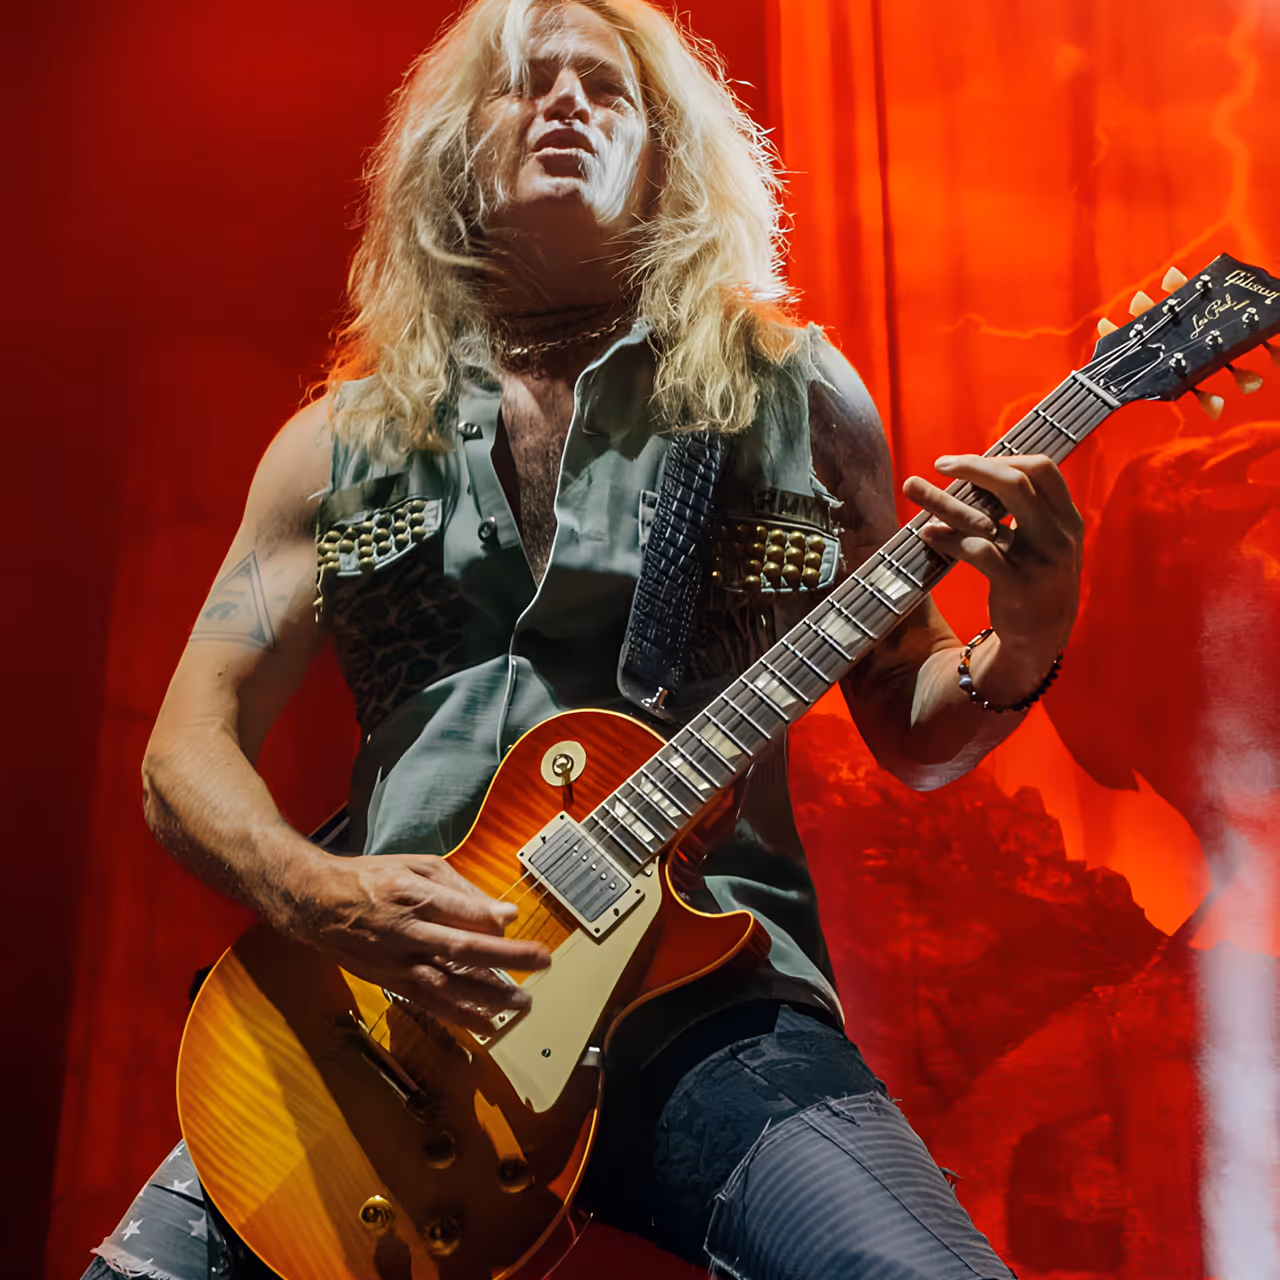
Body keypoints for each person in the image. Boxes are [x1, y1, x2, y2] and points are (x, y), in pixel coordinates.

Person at [84, 0, 1083, 1276]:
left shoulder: (794, 396)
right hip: (377, 1032)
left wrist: (1031, 625)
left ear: (666, 155)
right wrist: (321, 893)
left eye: (607, 90)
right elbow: (184, 751)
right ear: (455, 149)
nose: (566, 102)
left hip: (702, 987)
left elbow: (912, 721)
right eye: (527, 82)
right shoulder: (335, 442)